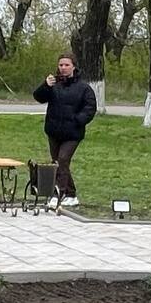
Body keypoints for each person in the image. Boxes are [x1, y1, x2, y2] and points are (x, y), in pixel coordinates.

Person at [33, 54, 98, 203]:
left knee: (62, 160)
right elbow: (38, 97)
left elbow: (90, 108)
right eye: (61, 65)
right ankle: (71, 195)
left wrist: (78, 120)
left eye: (66, 65)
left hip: (72, 133)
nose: (63, 68)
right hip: (54, 131)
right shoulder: (54, 84)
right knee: (58, 163)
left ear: (73, 67)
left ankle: (59, 194)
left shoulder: (84, 88)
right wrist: (45, 85)